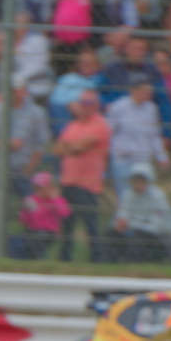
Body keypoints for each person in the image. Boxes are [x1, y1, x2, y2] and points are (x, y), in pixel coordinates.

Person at [53, 91, 111, 261]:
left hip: (88, 185)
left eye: (89, 103)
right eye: (83, 103)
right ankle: (65, 259)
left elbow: (78, 148)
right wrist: (71, 147)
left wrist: (69, 147)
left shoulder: (100, 125)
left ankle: (97, 260)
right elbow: (57, 149)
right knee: (67, 225)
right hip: (68, 182)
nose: (85, 107)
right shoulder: (73, 125)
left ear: (96, 105)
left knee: (90, 226)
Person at [110, 163, 171, 260]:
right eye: (135, 180)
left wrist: (130, 225)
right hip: (133, 231)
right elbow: (123, 212)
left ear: (149, 181)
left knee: (138, 237)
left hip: (157, 236)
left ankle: (131, 261)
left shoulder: (158, 196)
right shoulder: (128, 194)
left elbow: (157, 225)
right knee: (111, 233)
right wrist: (121, 221)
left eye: (141, 180)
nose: (138, 183)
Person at [15, 171, 68, 259]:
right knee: (21, 243)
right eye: (37, 188)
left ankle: (38, 259)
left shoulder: (56, 199)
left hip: (49, 232)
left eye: (42, 188)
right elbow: (23, 220)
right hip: (32, 231)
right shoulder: (31, 199)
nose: (38, 191)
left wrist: (55, 199)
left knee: (37, 241)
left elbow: (64, 213)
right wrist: (25, 212)